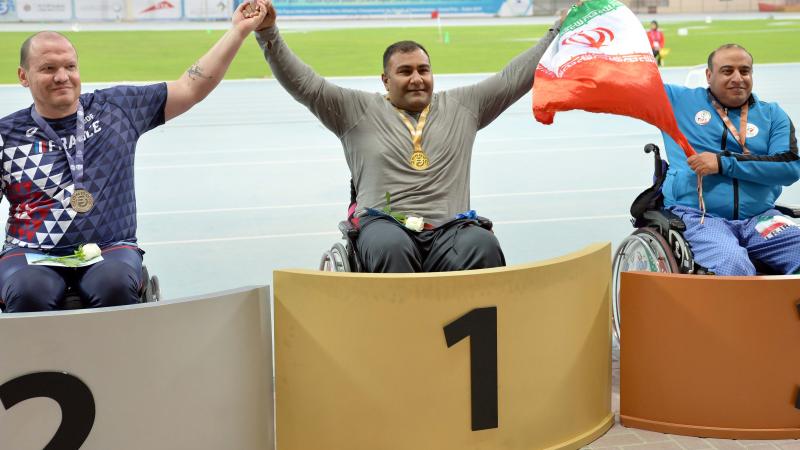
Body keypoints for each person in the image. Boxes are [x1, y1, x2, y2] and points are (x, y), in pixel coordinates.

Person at [249, 4, 564, 273]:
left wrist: (558, 31)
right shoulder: (355, 110)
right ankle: (402, 340)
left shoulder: (464, 106)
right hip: (383, 225)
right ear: (385, 80)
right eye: (405, 71)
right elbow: (305, 84)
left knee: (482, 244)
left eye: (424, 70)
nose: (417, 79)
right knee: (392, 247)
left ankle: (470, 340)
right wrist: (268, 33)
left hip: (450, 230)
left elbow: (514, 78)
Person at [0, 1, 270, 312]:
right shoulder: (7, 134)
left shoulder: (117, 109)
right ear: (24, 76)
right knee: (27, 290)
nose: (62, 76)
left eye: (70, 67)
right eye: (48, 68)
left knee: (113, 284)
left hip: (110, 249)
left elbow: (189, 87)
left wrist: (237, 31)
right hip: (31, 252)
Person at [660, 43, 800, 276]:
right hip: (701, 217)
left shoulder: (772, 115)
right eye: (727, 71)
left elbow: (790, 166)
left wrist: (723, 163)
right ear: (708, 75)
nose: (738, 78)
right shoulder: (677, 102)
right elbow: (631, 87)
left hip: (760, 218)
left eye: (744, 71)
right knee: (734, 264)